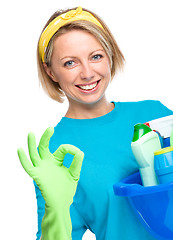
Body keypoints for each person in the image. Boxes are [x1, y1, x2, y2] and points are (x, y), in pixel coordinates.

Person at [28, 6, 173, 240]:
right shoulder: (56, 152)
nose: (87, 73)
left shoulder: (155, 114)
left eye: (96, 57)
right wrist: (55, 211)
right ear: (51, 72)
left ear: (110, 55)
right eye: (70, 63)